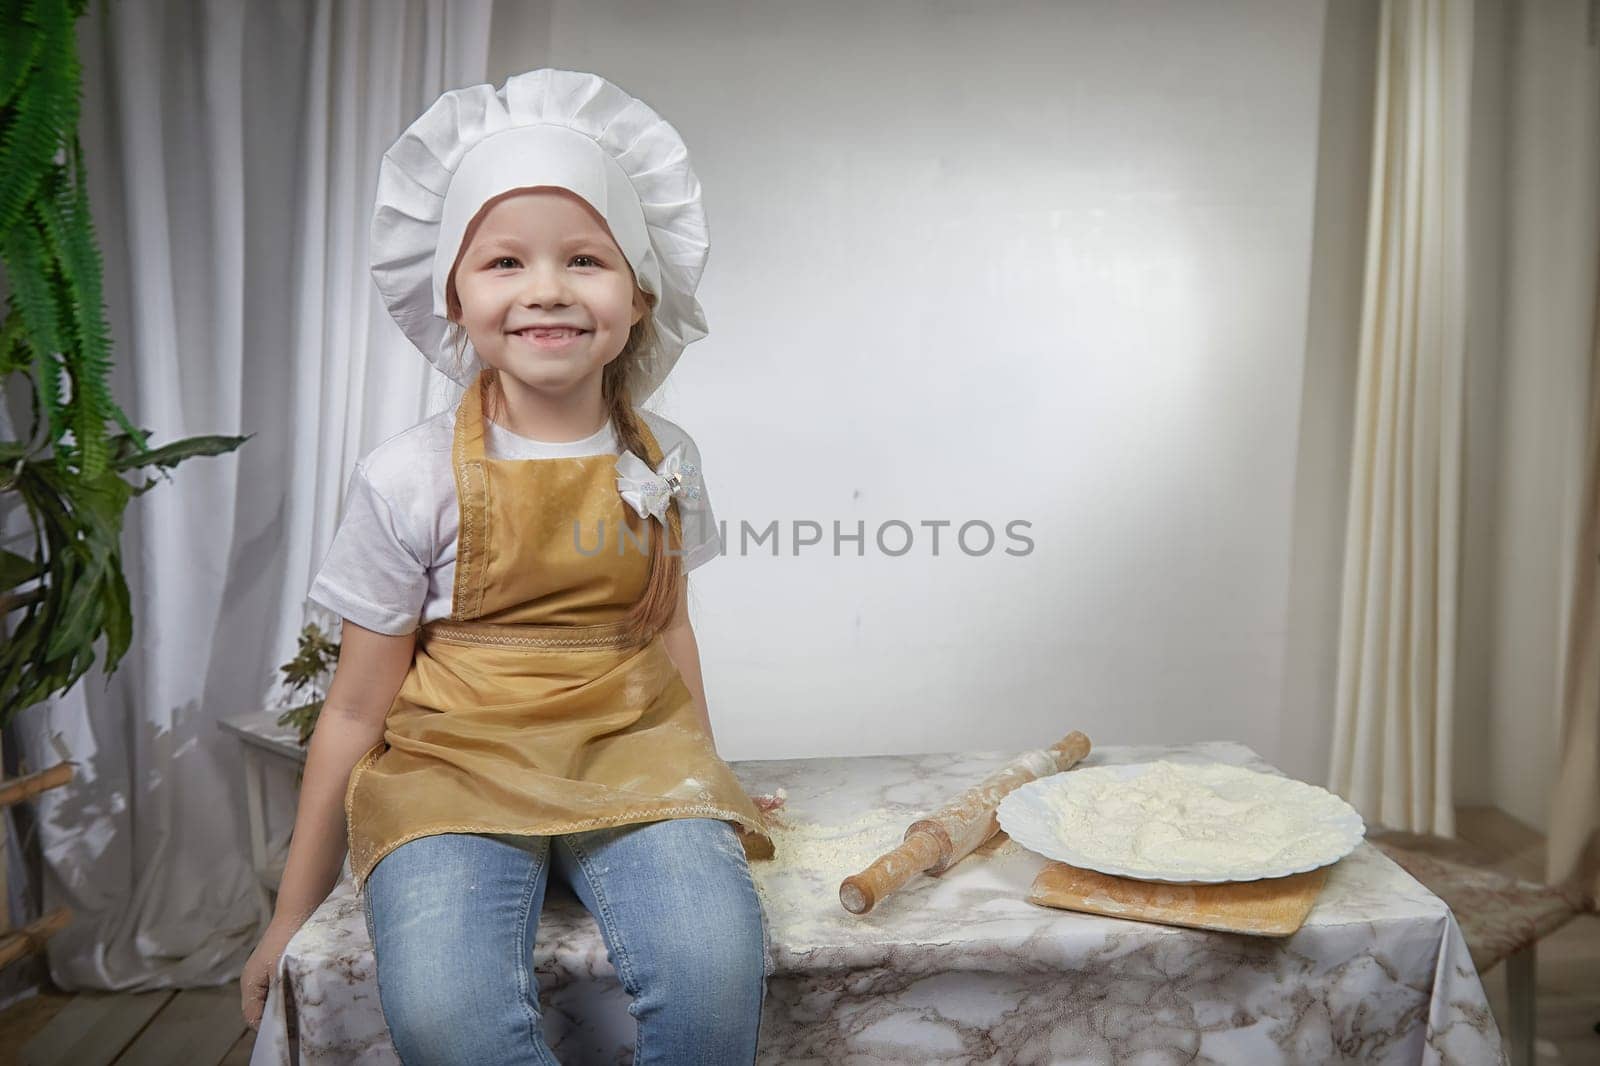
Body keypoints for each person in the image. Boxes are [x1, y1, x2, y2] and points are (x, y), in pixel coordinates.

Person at [240, 68, 775, 1065]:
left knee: (713, 974)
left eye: (584, 258)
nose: (546, 289)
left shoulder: (665, 459)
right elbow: (356, 709)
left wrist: (707, 773)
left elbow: (666, 628)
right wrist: (290, 914)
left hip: (633, 756)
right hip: (453, 771)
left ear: (638, 290)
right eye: (503, 262)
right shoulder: (407, 476)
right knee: (448, 1014)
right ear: (452, 290)